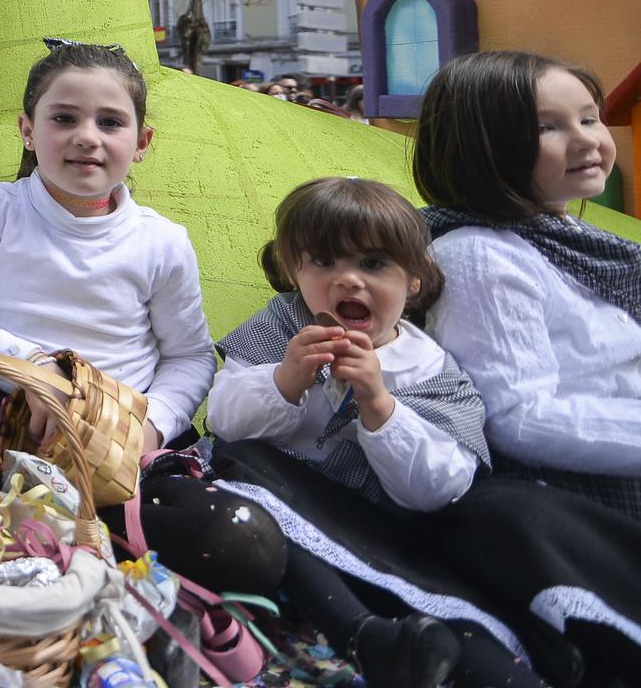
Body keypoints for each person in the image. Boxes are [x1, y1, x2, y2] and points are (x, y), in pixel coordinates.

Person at [0, 39, 279, 597]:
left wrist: (147, 427)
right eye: (64, 118)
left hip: (120, 456)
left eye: (110, 122)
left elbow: (190, 356)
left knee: (240, 540)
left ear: (142, 142)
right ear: (28, 130)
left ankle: (61, 536)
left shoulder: (162, 241)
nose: (87, 136)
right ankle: (23, 536)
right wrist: (33, 368)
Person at [208, 178, 534, 688]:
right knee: (231, 490)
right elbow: (223, 420)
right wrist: (284, 379)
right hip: (269, 505)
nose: (347, 281)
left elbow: (442, 486)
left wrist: (380, 406)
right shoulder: (283, 324)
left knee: (447, 601)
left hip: (366, 530)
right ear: (294, 271)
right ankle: (360, 635)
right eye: (322, 262)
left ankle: (484, 663)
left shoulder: (431, 369)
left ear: (415, 281)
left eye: (374, 264)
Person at [406, 50, 641, 678]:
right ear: (481, 146)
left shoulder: (575, 240)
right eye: (548, 127)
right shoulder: (482, 255)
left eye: (590, 118)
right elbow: (518, 415)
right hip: (579, 493)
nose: (586, 140)